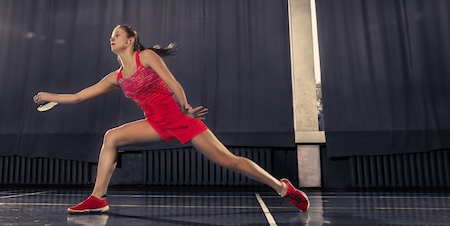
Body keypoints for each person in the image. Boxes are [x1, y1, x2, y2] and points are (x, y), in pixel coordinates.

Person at [33, 25, 309, 213]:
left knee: (229, 161)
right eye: (111, 35)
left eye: (117, 34)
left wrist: (186, 106)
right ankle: (98, 198)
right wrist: (49, 95)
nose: (112, 38)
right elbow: (80, 96)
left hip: (181, 119)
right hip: (154, 124)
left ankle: (282, 187)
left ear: (130, 40)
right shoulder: (115, 78)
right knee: (112, 136)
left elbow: (172, 81)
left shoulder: (147, 57)